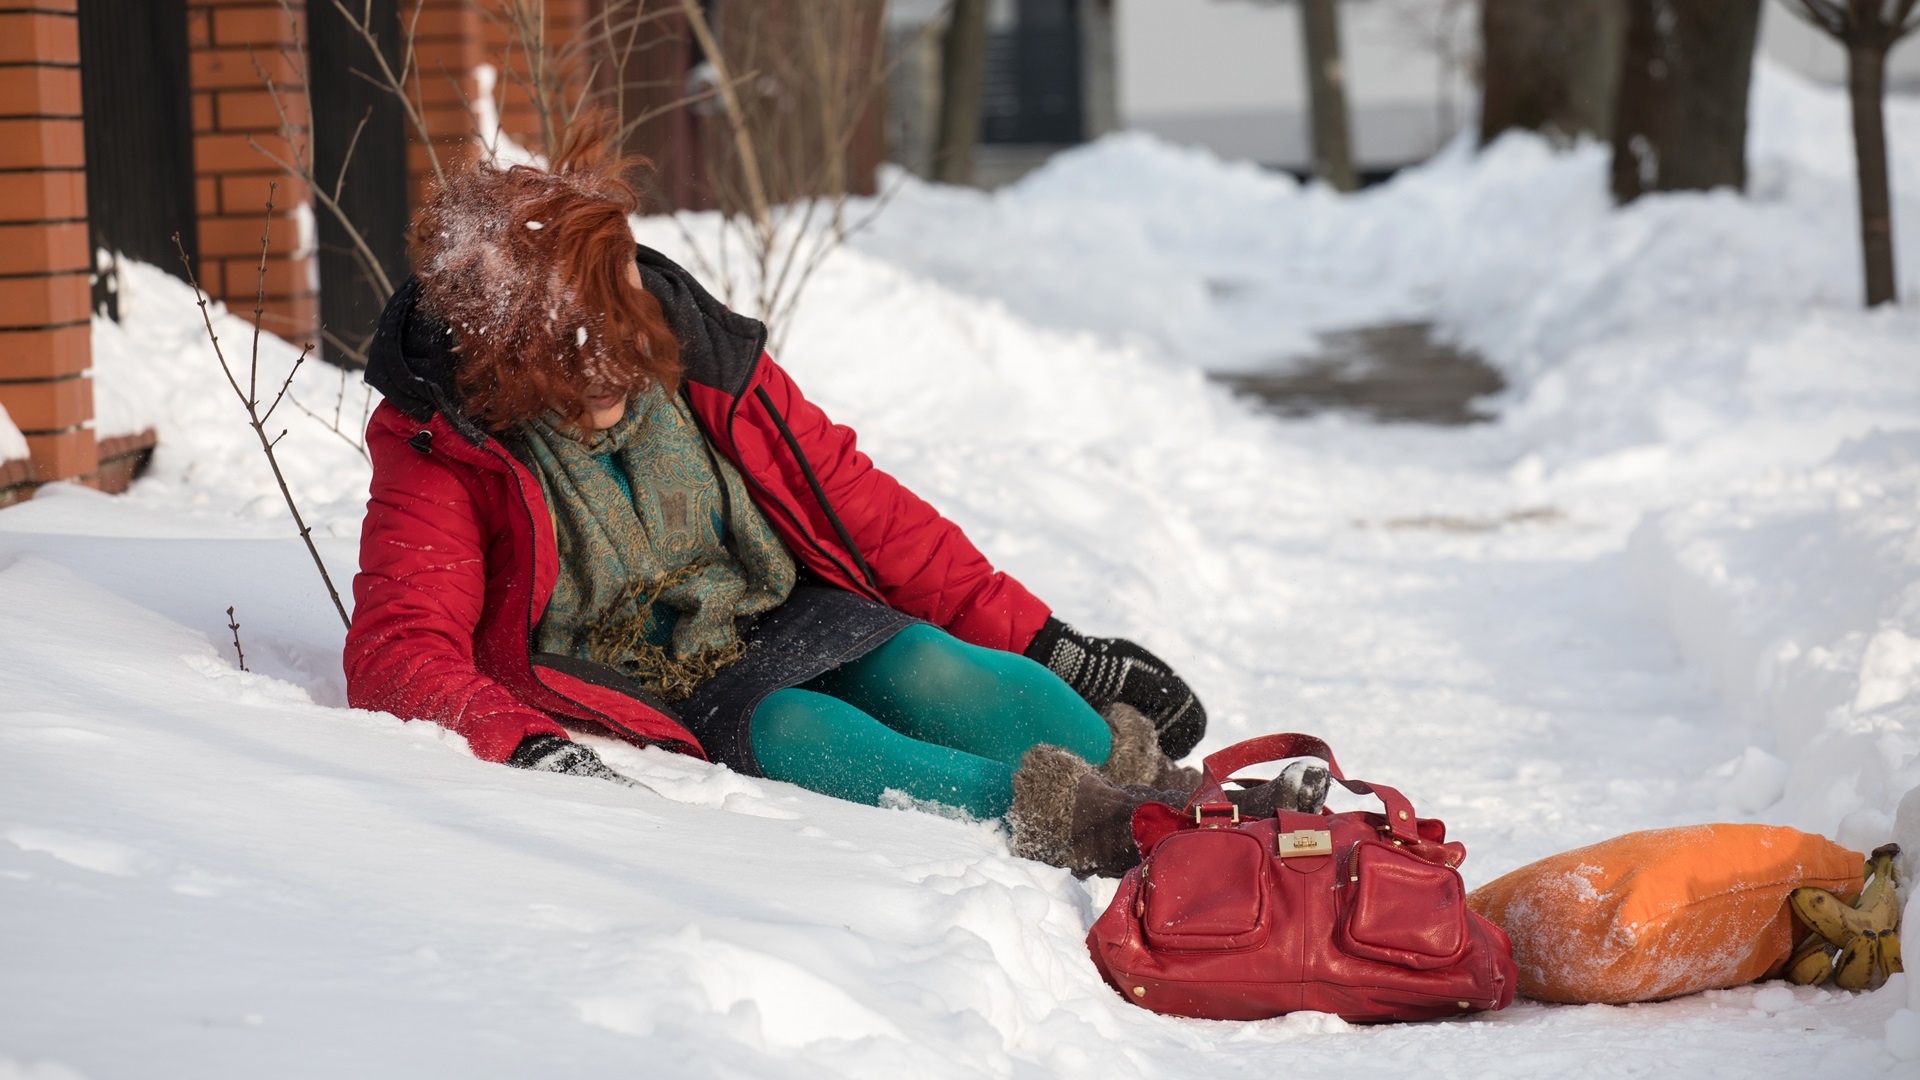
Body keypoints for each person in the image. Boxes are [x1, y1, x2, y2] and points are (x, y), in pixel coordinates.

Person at [343, 119, 1324, 878]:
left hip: (776, 605)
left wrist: (1052, 645)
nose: (613, 377)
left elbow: (864, 510)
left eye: (621, 343)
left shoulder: (696, 352)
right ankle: (1105, 826)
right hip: (656, 678)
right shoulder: (440, 443)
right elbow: (400, 648)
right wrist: (524, 747)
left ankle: (1178, 795)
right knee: (804, 735)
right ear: (508, 355)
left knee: (929, 664)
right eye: (575, 365)